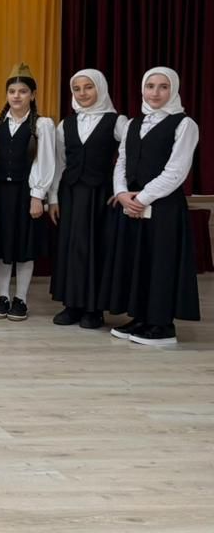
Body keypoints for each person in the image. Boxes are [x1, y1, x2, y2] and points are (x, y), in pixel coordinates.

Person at [104, 67, 200, 346]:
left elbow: (176, 171)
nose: (155, 93)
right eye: (150, 86)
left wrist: (142, 198)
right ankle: (142, 317)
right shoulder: (134, 123)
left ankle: (161, 325)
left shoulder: (185, 124)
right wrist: (121, 193)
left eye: (163, 87)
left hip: (163, 208)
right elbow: (121, 162)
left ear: (174, 90)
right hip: (132, 207)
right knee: (138, 261)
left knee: (160, 263)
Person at [48, 69, 128, 329]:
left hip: (100, 195)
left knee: (96, 249)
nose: (82, 93)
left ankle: (94, 309)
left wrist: (121, 189)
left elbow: (128, 156)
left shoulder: (117, 121)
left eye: (88, 87)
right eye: (77, 89)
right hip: (70, 194)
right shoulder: (66, 124)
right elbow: (59, 163)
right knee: (72, 249)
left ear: (100, 88)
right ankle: (72, 305)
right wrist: (53, 198)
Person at [0, 63, 55, 323]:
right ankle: (3, 296)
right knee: (2, 246)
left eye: (23, 91)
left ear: (33, 95)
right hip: (1, 193)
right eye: (12, 91)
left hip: (26, 193)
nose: (17, 96)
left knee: (24, 246)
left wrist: (38, 196)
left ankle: (21, 298)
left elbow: (45, 161)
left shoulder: (42, 125)